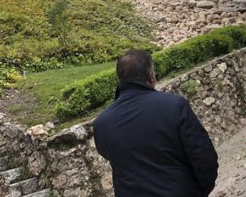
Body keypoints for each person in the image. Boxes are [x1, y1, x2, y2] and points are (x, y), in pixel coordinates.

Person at [93, 49, 218, 197]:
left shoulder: (102, 123)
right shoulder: (174, 105)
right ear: (151, 76)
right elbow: (204, 157)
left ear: (120, 80)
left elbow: (108, 153)